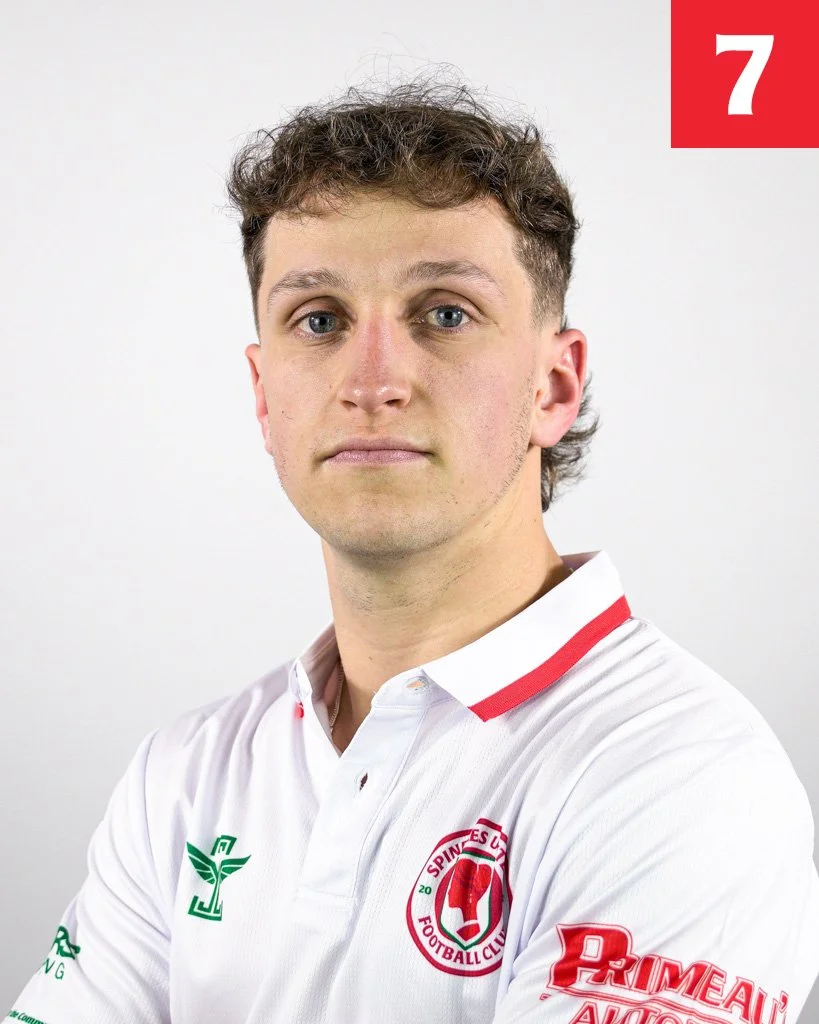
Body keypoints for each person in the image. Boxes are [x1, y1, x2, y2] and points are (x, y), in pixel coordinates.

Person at [5, 74, 819, 1024]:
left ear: (553, 387)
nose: (372, 379)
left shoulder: (679, 773)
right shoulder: (185, 775)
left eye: (443, 313)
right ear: (265, 398)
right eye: (320, 319)